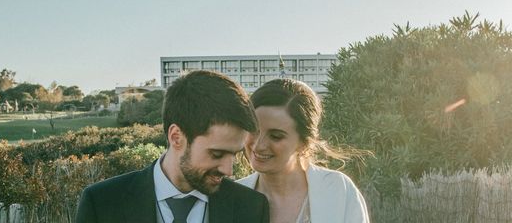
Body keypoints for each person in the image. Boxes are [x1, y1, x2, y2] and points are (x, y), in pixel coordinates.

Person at [76, 70, 270, 223]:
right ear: (176, 137)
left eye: (234, 154)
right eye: (217, 154)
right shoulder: (102, 203)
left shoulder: (251, 207)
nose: (228, 170)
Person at [238, 78, 369, 223]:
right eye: (253, 130)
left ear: (304, 143)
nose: (258, 145)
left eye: (275, 136)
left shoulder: (338, 191)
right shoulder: (231, 197)